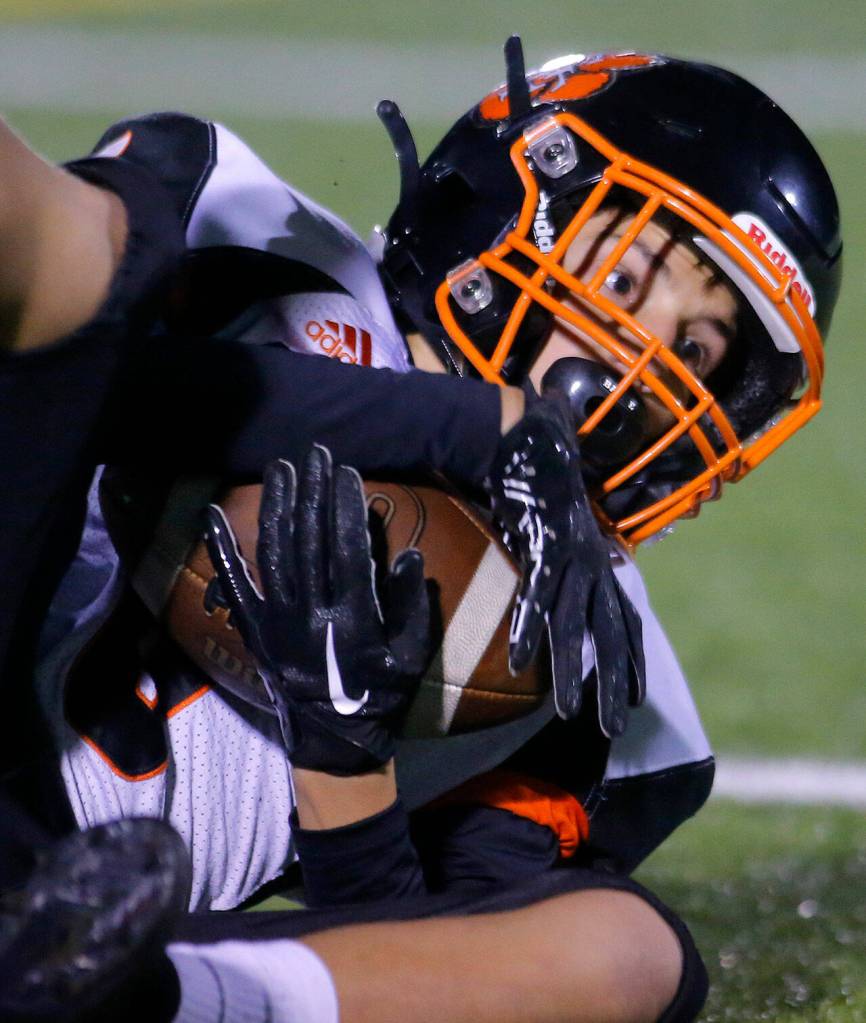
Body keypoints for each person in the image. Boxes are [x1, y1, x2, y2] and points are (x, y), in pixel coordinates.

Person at [1, 445, 708, 1023]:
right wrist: (474, 423)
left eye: (701, 345)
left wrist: (342, 761)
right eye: (625, 276)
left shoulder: (580, 644)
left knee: (630, 951)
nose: (628, 370)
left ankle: (138, 990)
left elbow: (413, 960)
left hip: (67, 920)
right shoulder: (281, 309)